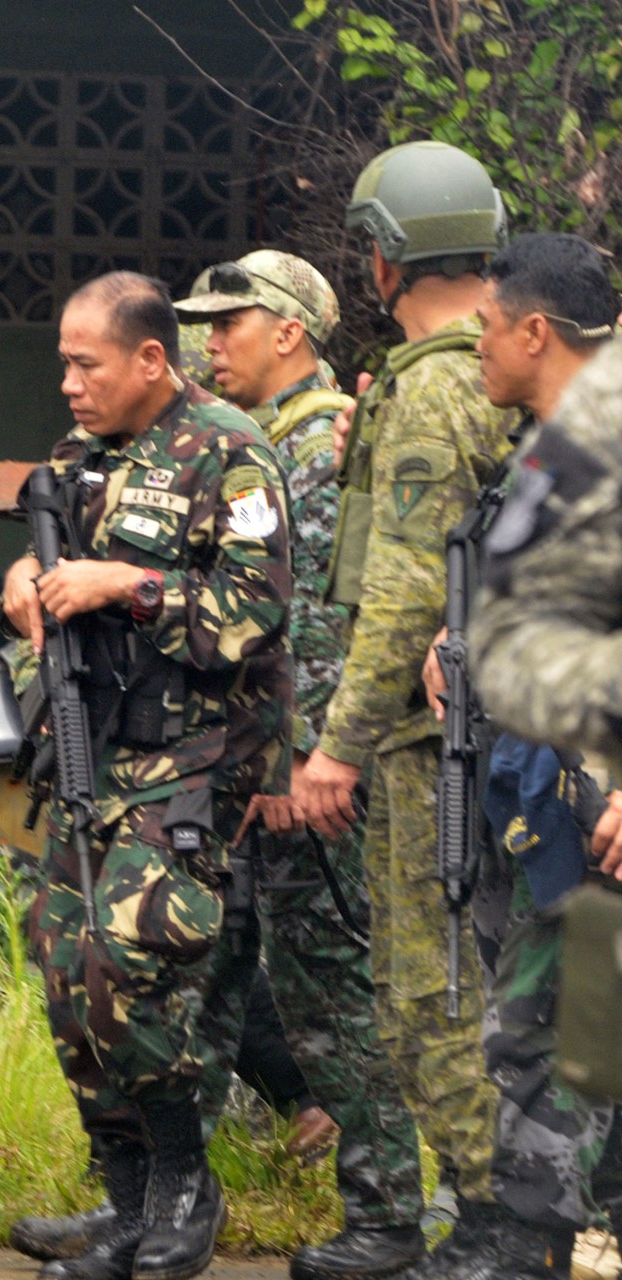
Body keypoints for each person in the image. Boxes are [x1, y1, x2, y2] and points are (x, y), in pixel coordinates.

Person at [0, 271, 292, 1280]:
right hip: (93, 744)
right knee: (64, 964)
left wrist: (128, 583)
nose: (71, 384)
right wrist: (25, 585)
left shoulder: (230, 452)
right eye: (64, 364)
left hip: (196, 755)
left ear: (150, 360)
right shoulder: (83, 453)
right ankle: (124, 1205)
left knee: (133, 962)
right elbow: (50, 559)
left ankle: (182, 1184)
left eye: (88, 364)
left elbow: (253, 613)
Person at [172, 251, 427, 1279]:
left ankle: (387, 1214)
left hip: (297, 778)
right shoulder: (258, 441)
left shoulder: (319, 442)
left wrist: (301, 762)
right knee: (200, 985)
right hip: (239, 770)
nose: (210, 341)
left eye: (228, 322)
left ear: (288, 331)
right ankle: (162, 1199)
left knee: (328, 994)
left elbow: (321, 628)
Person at [291, 139, 515, 1269]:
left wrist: (339, 742)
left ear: (384, 256)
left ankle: (494, 1219)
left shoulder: (432, 387)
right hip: (503, 735)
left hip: (435, 744)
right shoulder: (515, 369)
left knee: (429, 994)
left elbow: (405, 588)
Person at [414, 233, 622, 1279]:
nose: (476, 348)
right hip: (525, 784)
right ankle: (519, 1221)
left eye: (488, 329)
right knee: (526, 1018)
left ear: (536, 331)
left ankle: (537, 1237)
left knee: (553, 1021)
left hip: (593, 790)